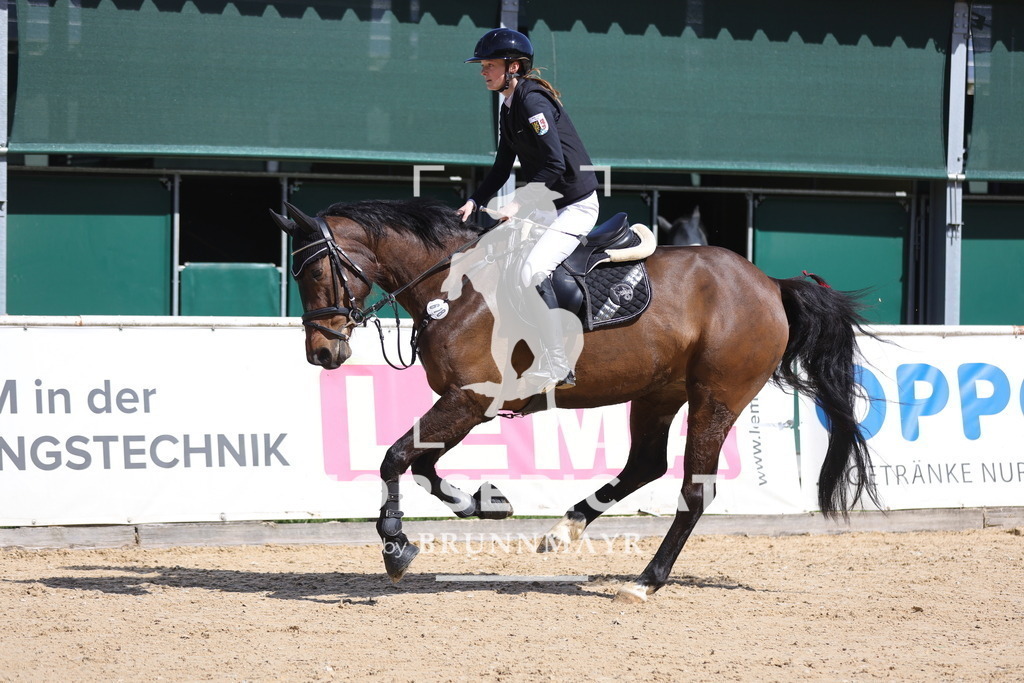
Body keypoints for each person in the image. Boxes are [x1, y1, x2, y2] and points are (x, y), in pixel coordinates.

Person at [457, 27, 600, 391]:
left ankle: (558, 363)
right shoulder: (508, 106)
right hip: (549, 204)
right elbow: (503, 166)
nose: (483, 71)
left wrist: (518, 202)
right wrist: (476, 199)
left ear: (514, 68)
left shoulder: (532, 102)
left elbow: (554, 165)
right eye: (483, 65)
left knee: (532, 271)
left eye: (489, 65)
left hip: (575, 205)